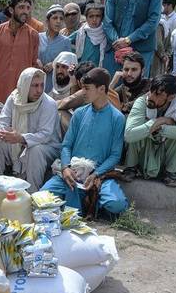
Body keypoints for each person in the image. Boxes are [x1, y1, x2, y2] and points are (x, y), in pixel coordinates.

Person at [42, 68, 129, 216]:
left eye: (87, 89)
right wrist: (66, 168)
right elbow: (66, 146)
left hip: (99, 174)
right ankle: (81, 200)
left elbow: (115, 156)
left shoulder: (117, 118)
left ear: (102, 89)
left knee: (116, 205)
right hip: (73, 173)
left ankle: (86, 199)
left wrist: (95, 174)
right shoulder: (79, 113)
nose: (83, 92)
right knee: (41, 198)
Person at [0, 68, 61, 192]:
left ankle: (32, 195)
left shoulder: (49, 104)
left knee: (34, 150)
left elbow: (45, 135)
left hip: (48, 147)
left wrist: (21, 138)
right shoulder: (14, 98)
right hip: (19, 141)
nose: (39, 90)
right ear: (24, 85)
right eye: (34, 86)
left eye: (42, 85)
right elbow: (3, 121)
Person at [123, 75, 176, 187]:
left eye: (157, 94)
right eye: (151, 91)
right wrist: (156, 122)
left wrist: (161, 127)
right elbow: (129, 135)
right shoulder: (142, 101)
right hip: (145, 152)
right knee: (136, 128)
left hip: (165, 151)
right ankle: (131, 168)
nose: (151, 96)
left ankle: (170, 173)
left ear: (171, 97)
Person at [103, 0, 162, 76]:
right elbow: (107, 22)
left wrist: (128, 40)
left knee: (137, 88)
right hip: (115, 50)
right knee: (112, 88)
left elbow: (153, 20)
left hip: (141, 50)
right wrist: (118, 43)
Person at [0, 0, 40, 102]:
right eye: (21, 7)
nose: (25, 11)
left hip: (20, 90)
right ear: (11, 10)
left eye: (28, 8)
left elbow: (33, 64)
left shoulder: (33, 34)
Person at [57, 61, 122, 133]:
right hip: (110, 132)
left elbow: (60, 104)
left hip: (97, 133)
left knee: (59, 113)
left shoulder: (88, 91)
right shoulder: (110, 91)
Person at [39, 5, 72, 93]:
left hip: (55, 85)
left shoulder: (66, 41)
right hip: (38, 81)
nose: (58, 21)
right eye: (55, 18)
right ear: (47, 21)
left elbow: (69, 63)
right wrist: (37, 61)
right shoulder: (38, 37)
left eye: (61, 19)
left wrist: (54, 64)